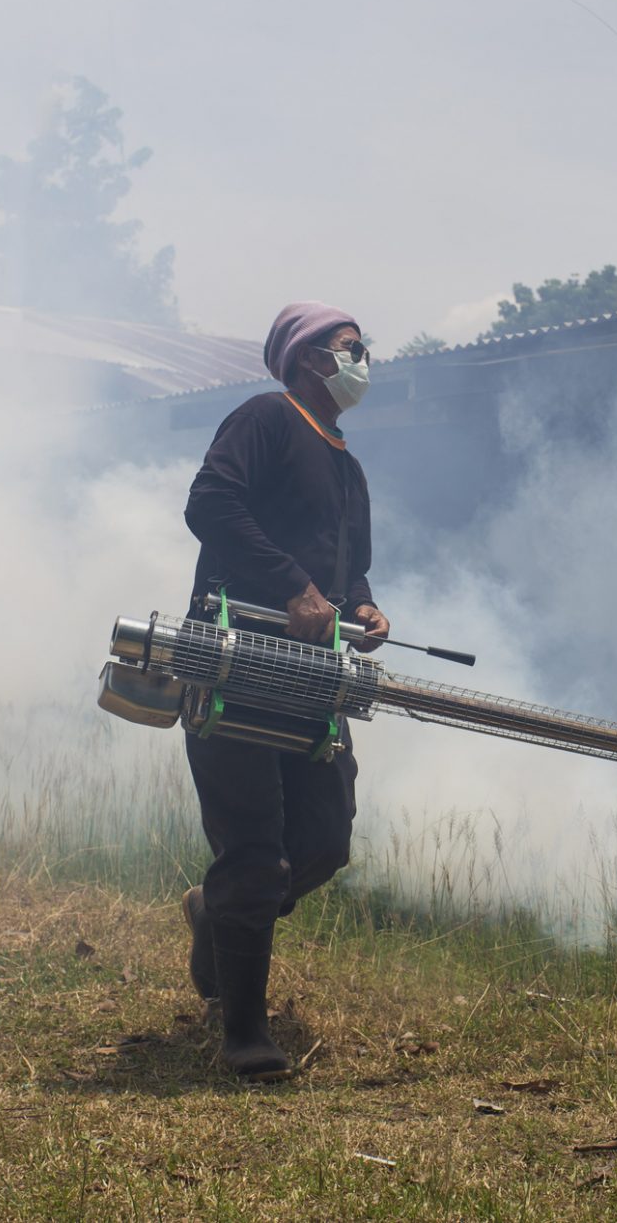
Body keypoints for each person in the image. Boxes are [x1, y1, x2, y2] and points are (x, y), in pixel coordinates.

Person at [179, 301, 391, 1079]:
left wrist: (361, 604)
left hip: (311, 675)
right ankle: (244, 1033)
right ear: (309, 359)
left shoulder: (345, 462)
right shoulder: (265, 419)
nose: (364, 359)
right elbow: (210, 503)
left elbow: (348, 567)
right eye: (351, 347)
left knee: (326, 837)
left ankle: (218, 913)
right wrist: (293, 587)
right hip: (235, 658)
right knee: (254, 847)